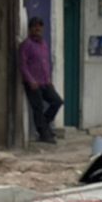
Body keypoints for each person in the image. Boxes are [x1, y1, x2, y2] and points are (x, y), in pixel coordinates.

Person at [18, 16, 63, 144]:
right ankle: (44, 134)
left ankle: (45, 125)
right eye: (35, 26)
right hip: (33, 83)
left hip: (45, 82)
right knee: (38, 107)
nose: (38, 29)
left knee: (57, 101)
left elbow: (46, 63)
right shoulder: (26, 45)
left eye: (40, 26)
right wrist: (30, 80)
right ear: (30, 29)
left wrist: (49, 79)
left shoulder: (43, 44)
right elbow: (22, 65)